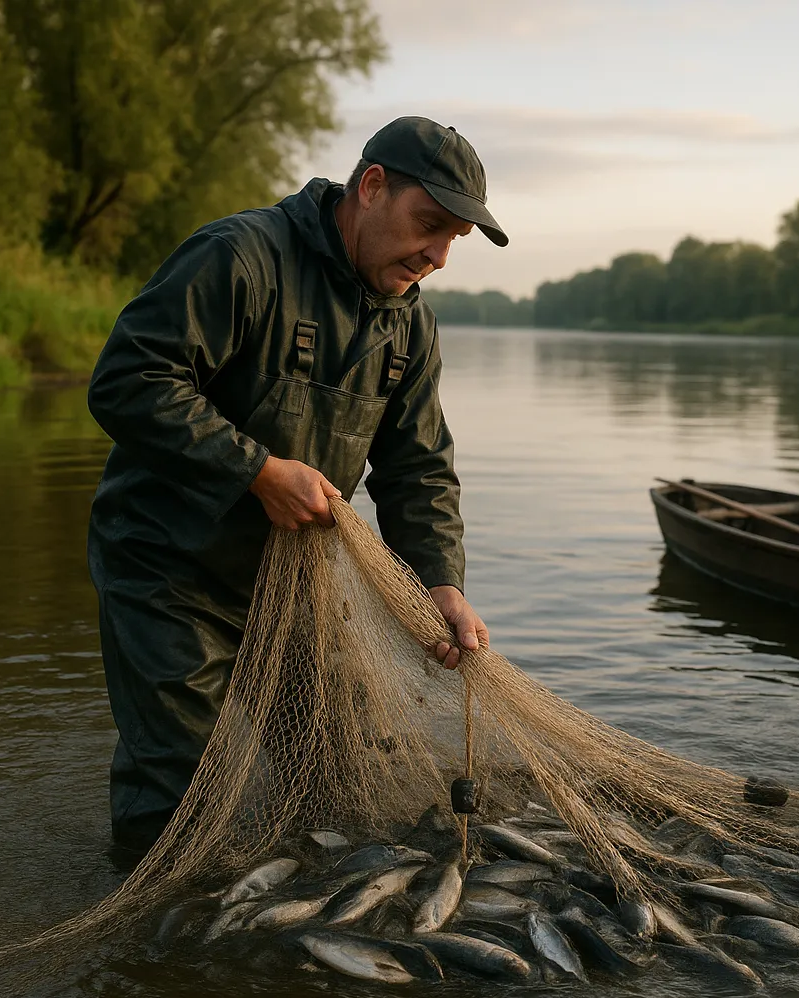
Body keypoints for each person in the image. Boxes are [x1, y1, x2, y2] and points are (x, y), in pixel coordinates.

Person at [86, 116, 507, 856]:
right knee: (181, 799)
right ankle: (162, 921)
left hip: (295, 584)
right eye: (429, 225)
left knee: (344, 779)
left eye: (454, 239)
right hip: (168, 569)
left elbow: (418, 470)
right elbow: (129, 380)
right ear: (371, 187)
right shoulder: (239, 257)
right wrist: (256, 471)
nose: (438, 256)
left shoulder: (411, 328)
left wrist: (440, 582)